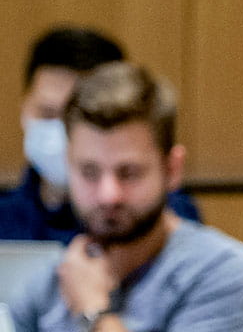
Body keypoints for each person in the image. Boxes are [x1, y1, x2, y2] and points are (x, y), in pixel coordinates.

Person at [10, 62, 243, 332]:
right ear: (67, 165)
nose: (107, 194)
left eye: (129, 173)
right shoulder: (51, 280)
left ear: (172, 169)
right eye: (89, 172)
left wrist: (92, 314)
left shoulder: (222, 271)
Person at [1, 26, 201, 243]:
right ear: (24, 107)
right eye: (48, 113)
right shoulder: (5, 215)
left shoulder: (161, 217)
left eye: (76, 116)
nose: (61, 130)